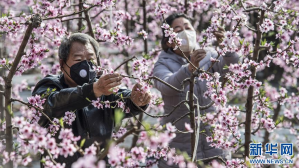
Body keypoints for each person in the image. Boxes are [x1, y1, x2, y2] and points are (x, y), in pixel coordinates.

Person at [32, 33, 151, 167]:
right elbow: (51, 103)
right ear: (62, 63)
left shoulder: (103, 87)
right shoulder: (49, 85)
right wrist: (92, 91)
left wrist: (136, 101)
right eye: (78, 59)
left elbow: (123, 98)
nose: (85, 65)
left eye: (90, 59)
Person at [153, 13, 239, 167]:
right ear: (168, 42)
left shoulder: (209, 55)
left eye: (188, 27)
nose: (185, 32)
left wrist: (227, 47)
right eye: (177, 29)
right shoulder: (162, 64)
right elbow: (168, 86)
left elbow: (234, 68)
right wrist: (190, 68)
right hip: (181, 147)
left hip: (214, 143)